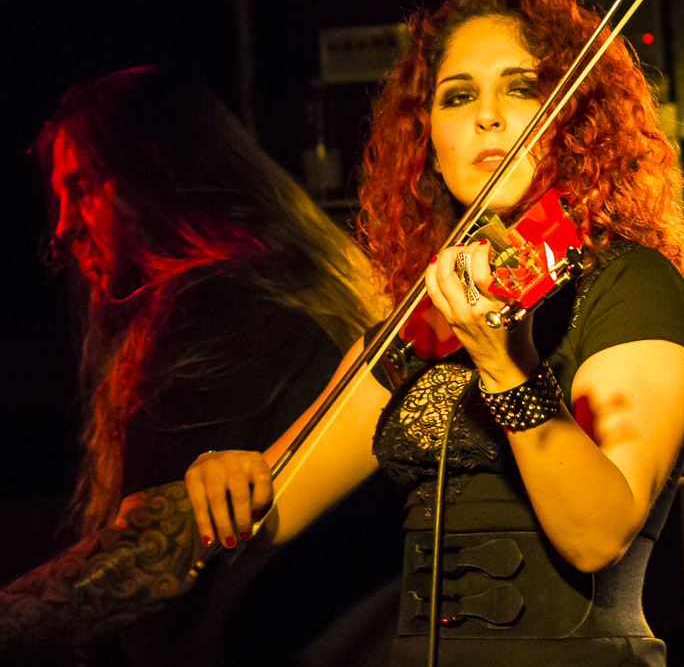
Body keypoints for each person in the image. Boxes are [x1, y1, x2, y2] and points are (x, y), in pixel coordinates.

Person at [185, 0, 684, 666]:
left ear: (576, 119)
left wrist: (505, 364)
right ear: (428, 138)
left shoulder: (632, 284)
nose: (487, 116)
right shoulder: (426, 319)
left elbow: (598, 535)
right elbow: (273, 501)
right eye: (458, 96)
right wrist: (221, 475)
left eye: (521, 88)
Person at [0, 65, 397, 666]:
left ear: (154, 172)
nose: (62, 226)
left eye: (81, 187)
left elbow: (153, 557)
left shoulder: (210, 305)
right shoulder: (297, 280)